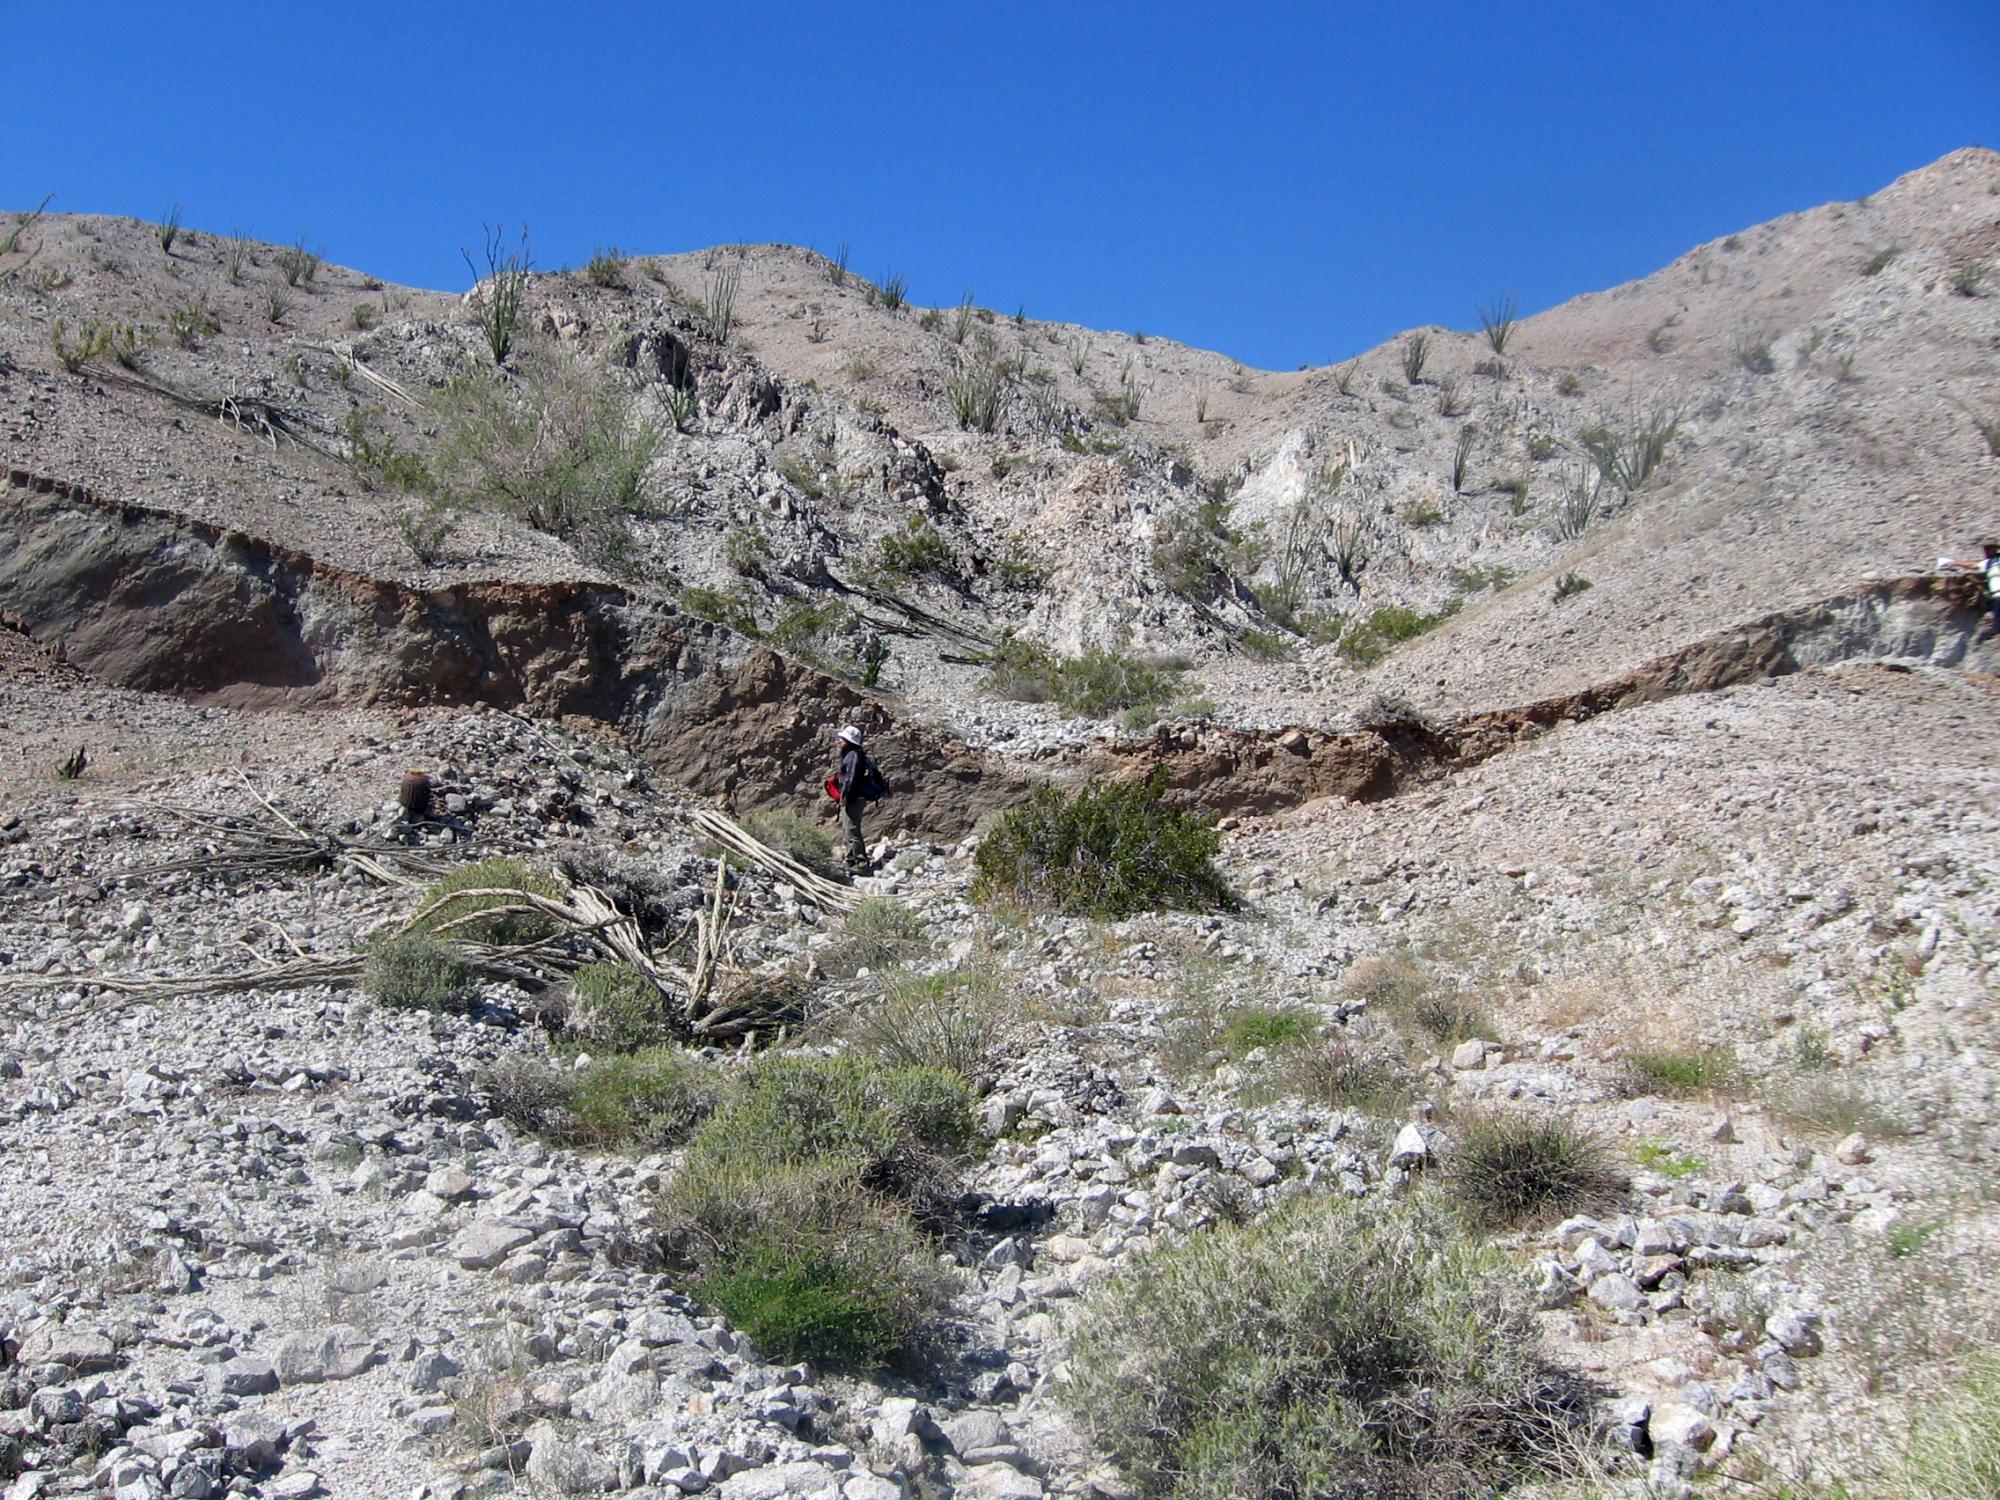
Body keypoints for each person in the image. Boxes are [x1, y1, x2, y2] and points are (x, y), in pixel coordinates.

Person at [832, 724, 887, 873]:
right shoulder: (854, 754)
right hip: (855, 797)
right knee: (848, 829)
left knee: (852, 830)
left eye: (842, 739)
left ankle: (861, 864)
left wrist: (845, 796)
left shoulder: (852, 755)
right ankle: (851, 861)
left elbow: (850, 779)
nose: (839, 741)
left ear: (848, 741)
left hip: (854, 798)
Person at [1943, 541, 2000, 632]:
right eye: (1985, 549)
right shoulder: (1990, 563)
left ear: (1995, 549)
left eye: (1988, 549)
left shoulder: (1995, 561)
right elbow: (1974, 565)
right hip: (1996, 599)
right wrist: (1955, 563)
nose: (1986, 552)